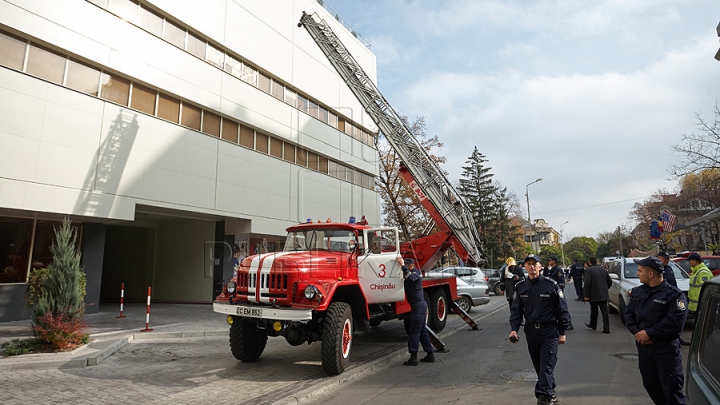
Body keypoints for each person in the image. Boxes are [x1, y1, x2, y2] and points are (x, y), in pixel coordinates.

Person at [624, 256, 688, 405]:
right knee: (651, 386)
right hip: (645, 349)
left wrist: (650, 333)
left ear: (650, 274)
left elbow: (675, 323)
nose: (637, 274)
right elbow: (629, 315)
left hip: (665, 350)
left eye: (640, 271)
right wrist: (638, 333)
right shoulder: (638, 292)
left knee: (672, 391)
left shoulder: (674, 295)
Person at [509, 254, 571, 405]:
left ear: (540, 266)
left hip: (549, 331)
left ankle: (543, 397)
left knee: (547, 365)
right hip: (531, 332)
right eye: (528, 264)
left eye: (534, 264)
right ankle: (551, 391)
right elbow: (516, 311)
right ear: (524, 267)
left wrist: (562, 332)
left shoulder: (551, 285)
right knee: (540, 366)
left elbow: (562, 310)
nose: (531, 267)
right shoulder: (521, 286)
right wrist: (514, 329)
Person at [397, 257, 434, 366]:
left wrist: (402, 265)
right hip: (418, 305)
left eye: (407, 266)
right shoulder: (411, 272)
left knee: (414, 331)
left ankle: (413, 358)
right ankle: (430, 354)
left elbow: (411, 278)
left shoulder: (416, 273)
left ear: (410, 265)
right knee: (422, 330)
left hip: (418, 305)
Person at [583, 257, 612, 333]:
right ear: (596, 262)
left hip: (593, 294)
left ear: (589, 262)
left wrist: (586, 294)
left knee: (594, 310)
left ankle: (593, 324)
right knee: (604, 312)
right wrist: (605, 289)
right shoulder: (603, 270)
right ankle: (606, 328)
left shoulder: (589, 270)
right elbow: (609, 282)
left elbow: (587, 283)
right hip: (603, 294)